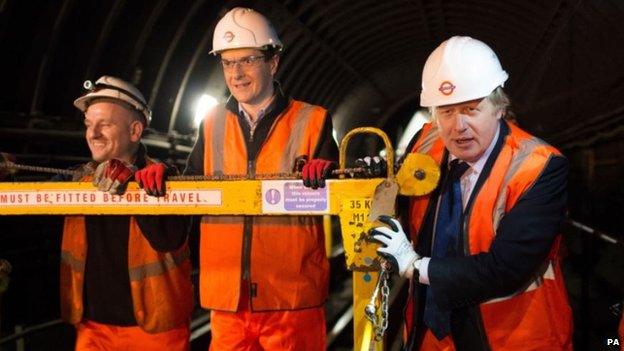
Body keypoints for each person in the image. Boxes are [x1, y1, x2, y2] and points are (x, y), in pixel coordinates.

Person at [371, 36, 573, 350]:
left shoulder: (538, 167)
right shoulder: (424, 146)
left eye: (471, 108)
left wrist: (413, 265)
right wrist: (373, 177)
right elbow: (400, 203)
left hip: (513, 338)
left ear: (499, 108)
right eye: (447, 112)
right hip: (432, 336)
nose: (459, 126)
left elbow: (506, 268)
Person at [179, 7, 338, 351]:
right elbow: (187, 192)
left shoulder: (313, 120)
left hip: (291, 299)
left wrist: (327, 176)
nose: (236, 74)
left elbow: (340, 191)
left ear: (273, 62)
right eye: (227, 62)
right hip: (228, 299)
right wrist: (158, 177)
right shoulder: (211, 124)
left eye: (247, 60)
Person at [61, 76, 193, 350]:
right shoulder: (79, 180)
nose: (93, 134)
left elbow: (169, 239)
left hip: (155, 329)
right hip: (92, 328)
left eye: (105, 125)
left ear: (135, 131)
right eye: (89, 125)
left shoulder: (164, 178)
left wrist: (138, 183)